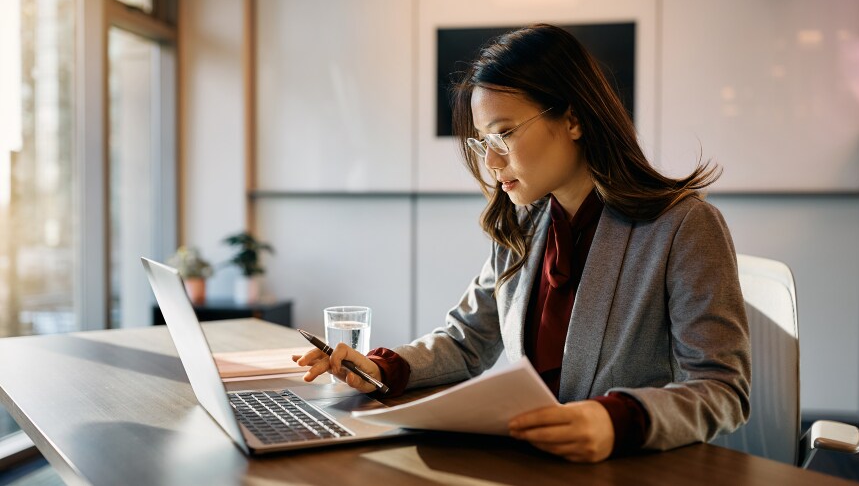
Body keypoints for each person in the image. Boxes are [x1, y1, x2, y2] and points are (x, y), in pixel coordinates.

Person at [294, 23, 750, 463]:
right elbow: (467, 341)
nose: (491, 160)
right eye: (483, 142)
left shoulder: (684, 226)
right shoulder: (524, 223)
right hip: (535, 463)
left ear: (573, 118)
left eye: (505, 134)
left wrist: (616, 420)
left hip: (633, 467)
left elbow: (722, 388)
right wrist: (378, 370)